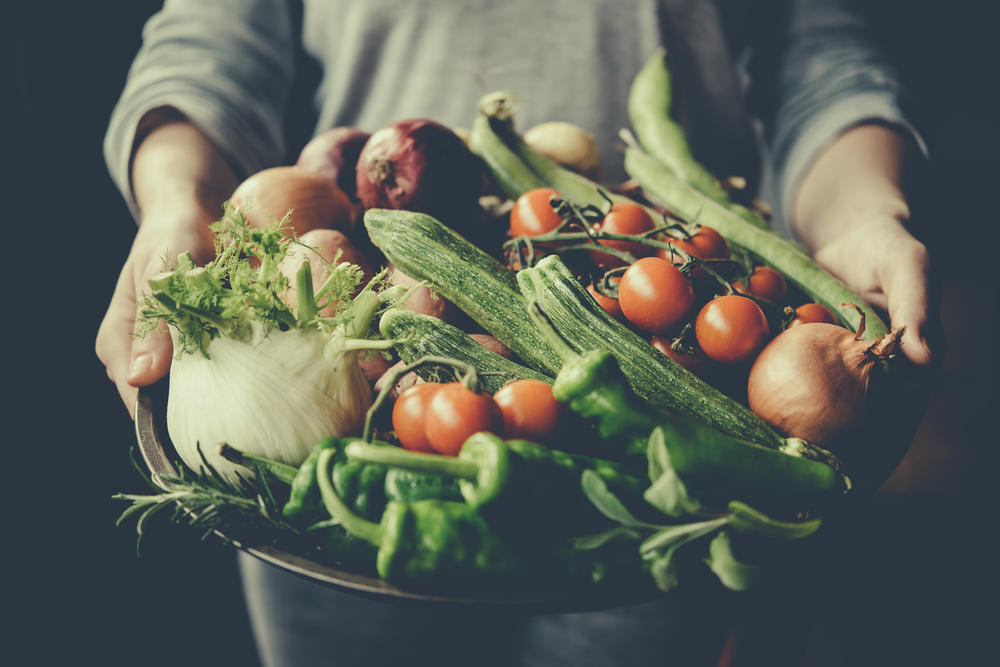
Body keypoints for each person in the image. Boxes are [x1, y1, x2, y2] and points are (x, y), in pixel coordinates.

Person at [96, 1, 934, 665]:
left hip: (666, 414)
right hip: (346, 387)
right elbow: (210, 40)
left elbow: (818, 53)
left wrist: (864, 213)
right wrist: (177, 202)